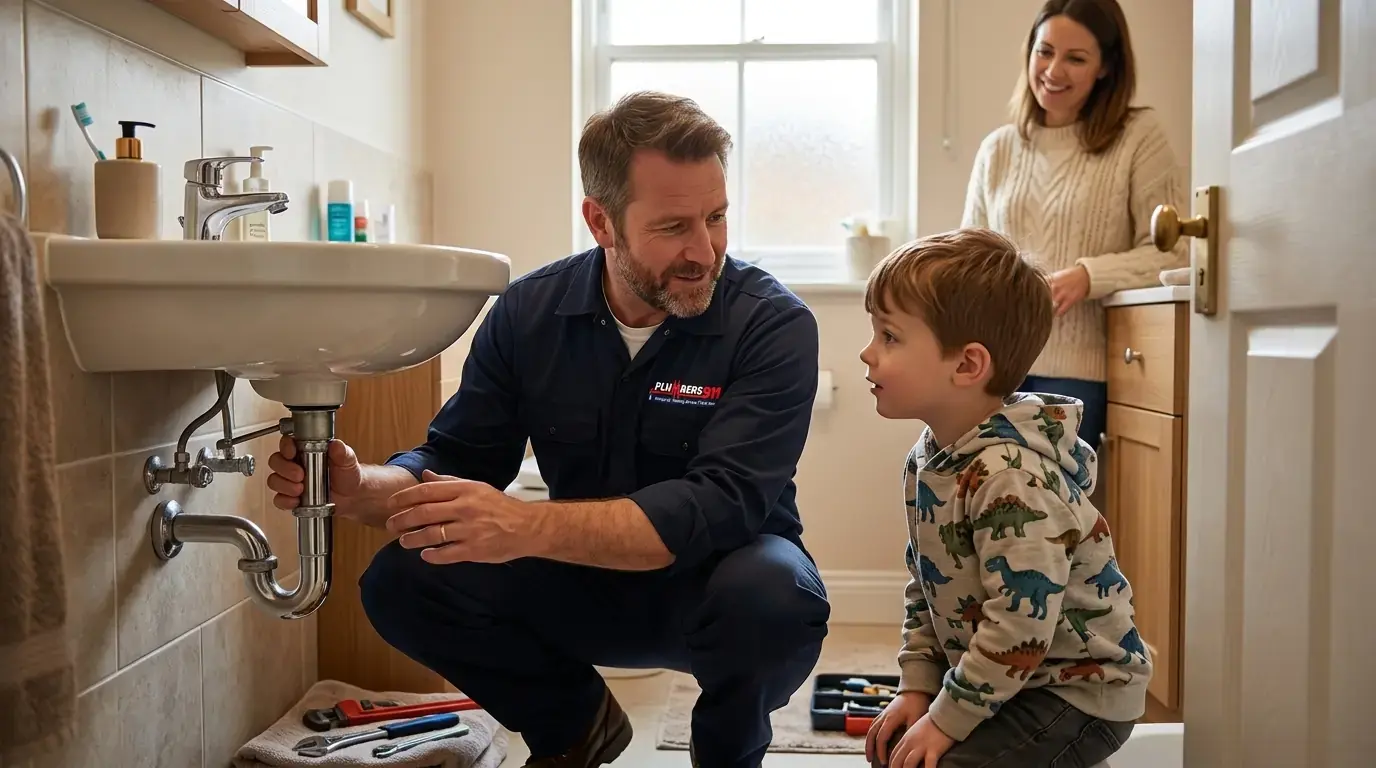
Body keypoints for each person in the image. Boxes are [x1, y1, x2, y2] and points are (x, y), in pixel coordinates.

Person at [266, 91, 830, 768]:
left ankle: (729, 755)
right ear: (601, 222)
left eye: (716, 216)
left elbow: (720, 504)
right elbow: (457, 459)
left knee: (774, 596)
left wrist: (525, 527)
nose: (704, 251)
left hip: (715, 590)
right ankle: (573, 728)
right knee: (404, 578)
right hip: (582, 582)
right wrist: (360, 488)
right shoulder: (529, 315)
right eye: (674, 227)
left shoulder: (773, 325)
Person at [857, 228, 1150, 767]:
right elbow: (926, 584)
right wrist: (917, 688)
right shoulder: (928, 459)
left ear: (967, 365)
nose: (867, 353)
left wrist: (947, 720)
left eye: (890, 336)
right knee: (897, 750)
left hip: (1075, 691)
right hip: (1010, 676)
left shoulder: (1011, 479)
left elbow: (1021, 623)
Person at [961, 0, 1188, 451]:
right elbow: (968, 262)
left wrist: (1087, 277)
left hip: (1082, 370)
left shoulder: (1139, 137)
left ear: (1106, 67)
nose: (1053, 70)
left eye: (1076, 58)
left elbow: (1174, 251)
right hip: (993, 368)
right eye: (1044, 51)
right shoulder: (998, 149)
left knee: (1042, 508)